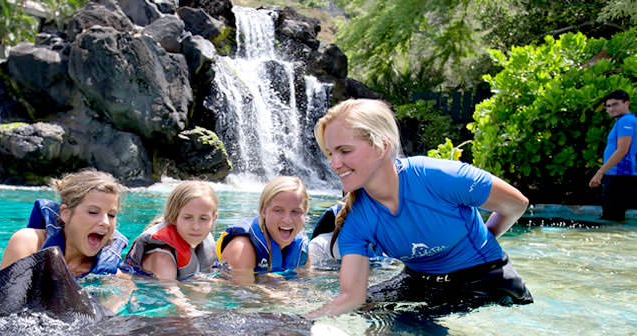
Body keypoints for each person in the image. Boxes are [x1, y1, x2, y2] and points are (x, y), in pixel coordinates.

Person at [306, 98, 533, 319]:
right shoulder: (356, 219)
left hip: (484, 280)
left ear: (382, 146)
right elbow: (351, 298)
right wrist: (301, 323)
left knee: (408, 329)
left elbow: (516, 205)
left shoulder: (437, 177)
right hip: (420, 281)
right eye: (330, 154)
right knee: (368, 311)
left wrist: (484, 237)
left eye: (344, 151)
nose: (334, 164)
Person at [0, 169, 128, 278]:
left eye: (111, 215)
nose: (105, 222)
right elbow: (5, 301)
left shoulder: (109, 275)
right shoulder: (29, 243)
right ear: (65, 214)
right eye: (93, 212)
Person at [216, 176, 310, 283]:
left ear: (305, 214)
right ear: (263, 211)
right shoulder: (242, 248)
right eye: (278, 210)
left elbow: (306, 280)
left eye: (295, 211)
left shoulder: (301, 247)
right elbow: (244, 294)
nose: (287, 220)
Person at [124, 180, 219, 281]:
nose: (196, 227)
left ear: (214, 219)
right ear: (174, 217)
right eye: (187, 217)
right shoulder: (162, 259)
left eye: (203, 218)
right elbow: (172, 294)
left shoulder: (204, 243)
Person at [588, 90, 636, 222]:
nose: (611, 109)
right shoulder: (623, 121)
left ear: (626, 103)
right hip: (618, 175)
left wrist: (600, 172)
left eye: (615, 104)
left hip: (619, 176)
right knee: (613, 217)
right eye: (608, 106)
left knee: (611, 219)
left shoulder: (626, 121)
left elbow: (622, 150)